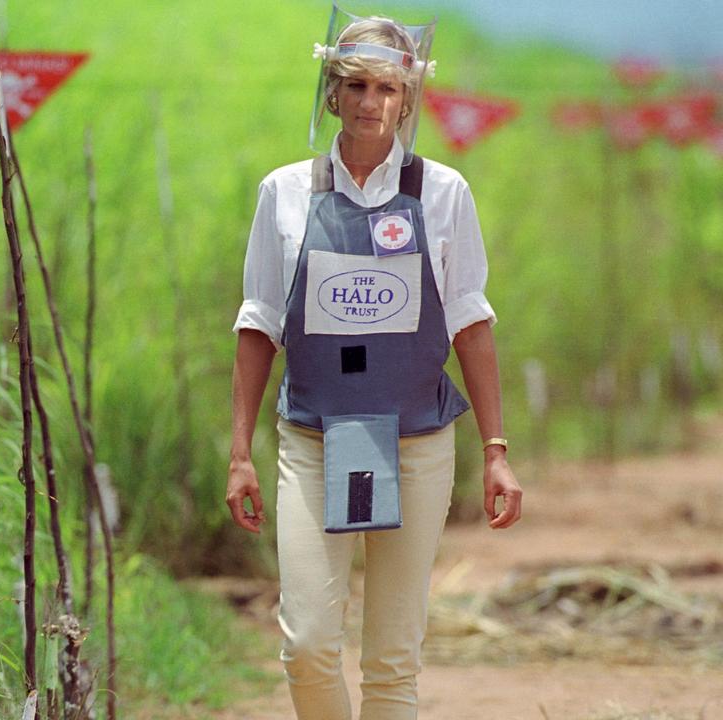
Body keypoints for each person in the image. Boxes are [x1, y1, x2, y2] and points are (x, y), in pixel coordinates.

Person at [225, 10, 523, 720]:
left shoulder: (443, 194)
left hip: (416, 443)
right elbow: (259, 323)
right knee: (306, 643)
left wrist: (496, 451)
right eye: (354, 85)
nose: (369, 103)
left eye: (386, 89)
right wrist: (239, 451)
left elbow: (471, 323)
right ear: (331, 93)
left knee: (393, 659)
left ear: (407, 99)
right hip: (313, 440)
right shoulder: (286, 193)